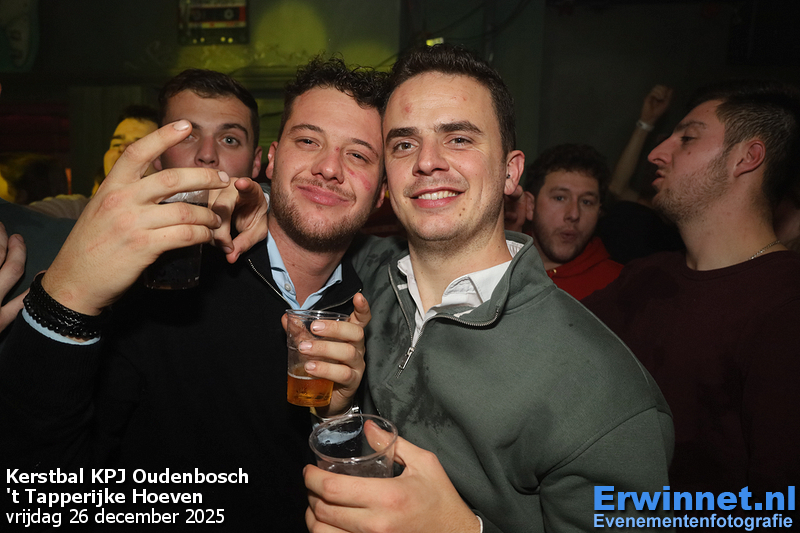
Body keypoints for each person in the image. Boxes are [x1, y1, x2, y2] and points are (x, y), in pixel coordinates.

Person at [0, 59, 387, 531]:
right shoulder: (169, 281)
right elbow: (39, 485)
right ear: (271, 160)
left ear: (381, 193)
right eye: (308, 141)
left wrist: (338, 417)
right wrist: (64, 299)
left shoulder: (381, 302)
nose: (328, 167)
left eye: (359, 155)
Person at [304, 44, 674, 533]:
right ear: (387, 178)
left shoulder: (603, 393)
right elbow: (302, 221)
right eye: (404, 144)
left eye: (458, 139)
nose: (427, 162)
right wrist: (338, 410)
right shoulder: (366, 277)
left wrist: (459, 529)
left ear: (510, 172)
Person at [584, 81, 800, 499]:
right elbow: (552, 343)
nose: (657, 153)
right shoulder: (646, 276)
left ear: (747, 158)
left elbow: (778, 503)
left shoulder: (785, 307)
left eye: (687, 138)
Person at [505, 143, 622, 299]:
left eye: (587, 202)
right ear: (530, 206)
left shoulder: (621, 285)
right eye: (560, 198)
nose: (574, 214)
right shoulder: (496, 267)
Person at [27, 105, 160, 219]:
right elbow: (26, 216)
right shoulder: (77, 211)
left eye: (138, 145)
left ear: (162, 163)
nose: (123, 150)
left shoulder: (165, 218)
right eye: (116, 143)